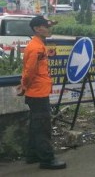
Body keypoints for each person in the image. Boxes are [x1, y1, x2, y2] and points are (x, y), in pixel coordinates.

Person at [16, 16, 66, 170]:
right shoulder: (36, 48)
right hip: (37, 93)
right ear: (37, 29)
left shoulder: (38, 45)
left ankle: (32, 155)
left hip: (37, 91)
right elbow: (30, 72)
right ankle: (47, 159)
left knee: (36, 125)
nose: (50, 29)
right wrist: (24, 86)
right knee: (43, 126)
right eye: (46, 26)